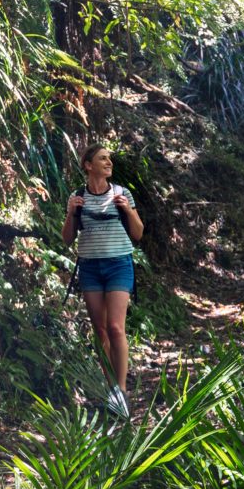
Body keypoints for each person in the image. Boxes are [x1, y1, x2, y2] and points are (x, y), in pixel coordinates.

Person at [62, 144, 142, 417]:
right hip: (90, 267)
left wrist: (128, 211)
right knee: (100, 331)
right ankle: (111, 389)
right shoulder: (77, 196)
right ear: (88, 165)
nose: (109, 162)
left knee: (116, 328)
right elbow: (67, 238)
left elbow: (138, 233)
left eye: (110, 159)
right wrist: (71, 212)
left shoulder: (122, 193)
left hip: (119, 264)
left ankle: (120, 391)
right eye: (103, 158)